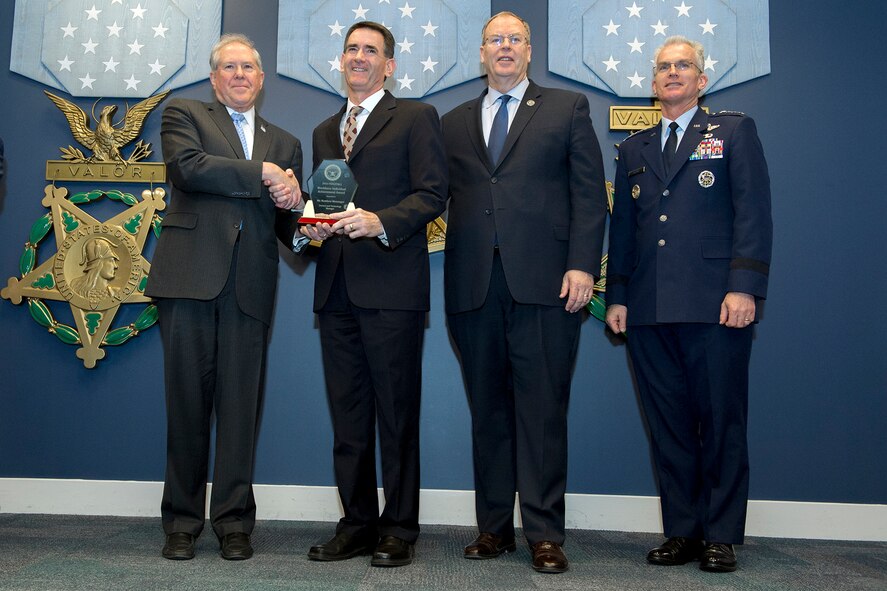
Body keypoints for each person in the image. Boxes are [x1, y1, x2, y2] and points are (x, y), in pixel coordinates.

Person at [440, 11, 607, 574]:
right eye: (495, 40)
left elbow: (590, 195)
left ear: (529, 51)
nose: (504, 48)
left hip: (547, 284)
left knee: (540, 412)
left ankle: (543, 532)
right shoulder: (453, 120)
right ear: (482, 53)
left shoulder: (567, 108)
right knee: (487, 411)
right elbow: (427, 194)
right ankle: (493, 529)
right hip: (472, 287)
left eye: (514, 39)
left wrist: (583, 265)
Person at [278, 21, 447, 567]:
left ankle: (399, 528)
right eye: (351, 49)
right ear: (341, 59)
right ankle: (356, 524)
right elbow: (323, 199)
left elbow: (433, 193)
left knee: (396, 416)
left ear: (389, 65)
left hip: (392, 288)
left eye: (370, 50)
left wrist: (381, 222)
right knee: (348, 418)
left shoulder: (417, 117)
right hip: (335, 289)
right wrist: (310, 228)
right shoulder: (327, 130)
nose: (358, 57)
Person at [605, 36, 772, 573]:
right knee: (669, 426)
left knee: (721, 420)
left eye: (684, 66)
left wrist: (743, 286)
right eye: (663, 67)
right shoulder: (633, 149)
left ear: (702, 80)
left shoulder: (733, 131)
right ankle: (683, 531)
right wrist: (618, 297)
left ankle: (720, 534)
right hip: (649, 309)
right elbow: (623, 233)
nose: (673, 73)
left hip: (715, 303)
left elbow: (753, 212)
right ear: (653, 83)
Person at [145, 33, 303, 561]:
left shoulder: (285, 143)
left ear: (261, 79)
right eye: (229, 67)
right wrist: (262, 174)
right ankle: (182, 523)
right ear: (214, 79)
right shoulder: (183, 114)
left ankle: (234, 522)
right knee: (186, 405)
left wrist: (309, 228)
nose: (239, 75)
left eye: (249, 68)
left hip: (250, 287)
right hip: (188, 279)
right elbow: (188, 168)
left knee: (241, 410)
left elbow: (286, 225)